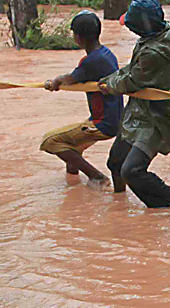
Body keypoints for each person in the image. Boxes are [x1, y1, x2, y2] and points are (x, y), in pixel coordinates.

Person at [99, 0, 170, 208]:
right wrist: (109, 80)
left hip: (158, 119)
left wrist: (110, 85)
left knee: (132, 170)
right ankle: (119, 202)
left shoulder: (154, 52)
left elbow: (132, 81)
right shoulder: (159, 34)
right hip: (139, 111)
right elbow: (131, 70)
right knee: (115, 162)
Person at [39, 10, 124, 184]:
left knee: (50, 141)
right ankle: (73, 182)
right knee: (72, 146)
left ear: (78, 37)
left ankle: (97, 177)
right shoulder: (107, 54)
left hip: (102, 123)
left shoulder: (91, 61)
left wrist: (55, 81)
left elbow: (69, 79)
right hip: (115, 118)